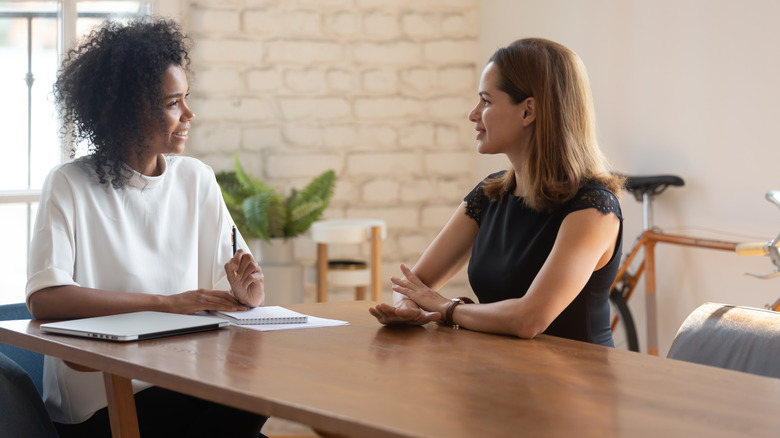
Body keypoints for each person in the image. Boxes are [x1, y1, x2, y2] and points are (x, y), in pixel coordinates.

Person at [26, 18, 268, 437]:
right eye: (174, 103)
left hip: (185, 382)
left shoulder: (196, 179)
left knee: (262, 392)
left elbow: (226, 290)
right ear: (130, 112)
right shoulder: (70, 184)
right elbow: (46, 299)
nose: (189, 114)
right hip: (101, 404)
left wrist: (249, 296)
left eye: (186, 99)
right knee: (253, 400)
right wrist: (167, 303)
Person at [369, 38, 624, 347]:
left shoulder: (593, 208)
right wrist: (408, 307)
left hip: (575, 376)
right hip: (500, 368)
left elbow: (528, 319)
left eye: (486, 101)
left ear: (528, 111)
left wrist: (445, 308)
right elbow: (414, 284)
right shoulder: (489, 195)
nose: (473, 114)